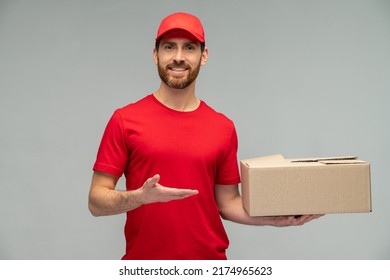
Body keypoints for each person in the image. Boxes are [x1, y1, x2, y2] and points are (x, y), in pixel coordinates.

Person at [88, 12, 322, 260]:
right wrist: (139, 198)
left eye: (189, 47)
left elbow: (228, 202)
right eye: (169, 47)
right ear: (155, 55)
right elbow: (96, 201)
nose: (178, 57)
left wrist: (276, 219)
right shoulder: (125, 120)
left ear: (204, 55)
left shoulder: (223, 127)